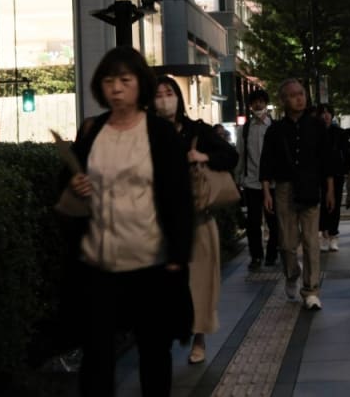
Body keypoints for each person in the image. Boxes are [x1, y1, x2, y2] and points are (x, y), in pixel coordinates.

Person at [65, 46, 193, 397]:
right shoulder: (92, 132)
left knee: (154, 352)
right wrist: (75, 184)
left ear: (141, 84)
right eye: (109, 81)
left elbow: (179, 199)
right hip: (98, 262)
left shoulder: (160, 134)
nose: (116, 89)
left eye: (125, 80)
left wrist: (177, 258)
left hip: (149, 262)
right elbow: (70, 185)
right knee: (97, 356)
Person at [154, 75, 238, 365]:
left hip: (197, 220)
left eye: (169, 92)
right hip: (160, 223)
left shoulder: (196, 130)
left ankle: (199, 338)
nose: (164, 98)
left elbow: (230, 156)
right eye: (158, 94)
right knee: (164, 287)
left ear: (178, 96)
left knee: (200, 284)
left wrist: (202, 155)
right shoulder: (148, 133)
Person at [260, 78, 336, 310]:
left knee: (312, 242)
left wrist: (330, 189)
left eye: (301, 93)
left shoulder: (316, 126)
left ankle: (311, 290)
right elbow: (267, 163)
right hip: (284, 188)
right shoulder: (275, 130)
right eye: (293, 95)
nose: (299, 98)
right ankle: (292, 274)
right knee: (287, 242)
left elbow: (327, 159)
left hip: (311, 187)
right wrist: (266, 192)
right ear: (283, 100)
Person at [236, 88, 278, 270]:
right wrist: (238, 179)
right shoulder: (245, 129)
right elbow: (240, 155)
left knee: (274, 223)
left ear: (266, 103)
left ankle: (271, 255)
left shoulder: (274, 126)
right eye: (255, 102)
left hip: (273, 183)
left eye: (261, 101)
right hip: (251, 182)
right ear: (250, 105)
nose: (258, 105)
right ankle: (256, 256)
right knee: (253, 223)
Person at [316, 102, 350, 252]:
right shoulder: (315, 133)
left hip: (336, 174)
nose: (326, 115)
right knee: (322, 205)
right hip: (319, 174)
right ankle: (323, 234)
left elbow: (346, 154)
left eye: (328, 112)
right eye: (322, 113)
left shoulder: (339, 133)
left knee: (335, 205)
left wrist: (345, 170)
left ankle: (333, 235)